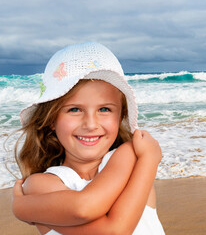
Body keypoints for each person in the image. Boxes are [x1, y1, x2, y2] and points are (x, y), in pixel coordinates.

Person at [11, 42, 165, 234]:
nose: (91, 124)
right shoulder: (41, 185)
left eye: (104, 109)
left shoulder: (129, 157)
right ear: (51, 119)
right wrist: (150, 159)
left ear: (121, 116)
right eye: (74, 109)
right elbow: (94, 216)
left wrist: (23, 207)